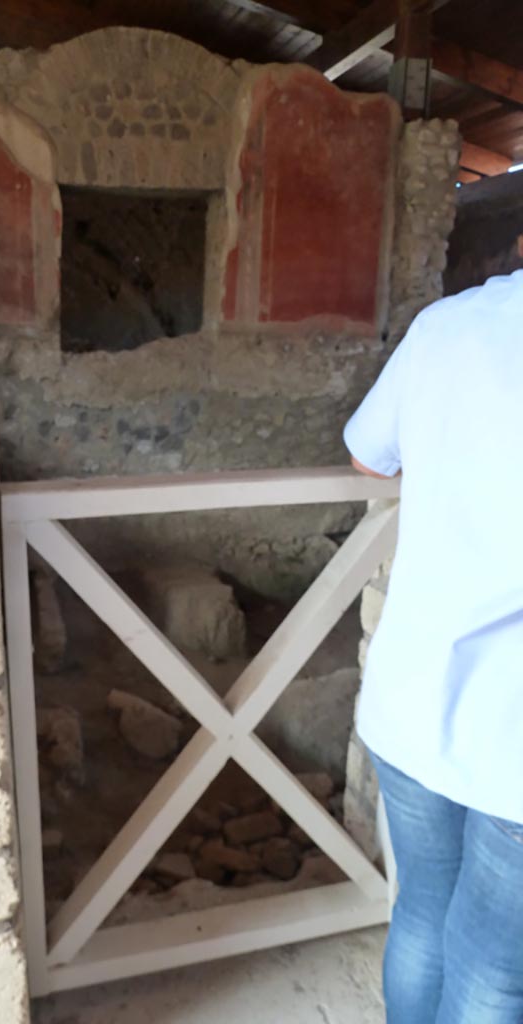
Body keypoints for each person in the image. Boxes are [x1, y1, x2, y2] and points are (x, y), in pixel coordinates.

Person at [344, 268, 523, 1024]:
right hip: (509, 733)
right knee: (494, 972)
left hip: (414, 695)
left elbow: (368, 456)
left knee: (421, 913)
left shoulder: (448, 324)